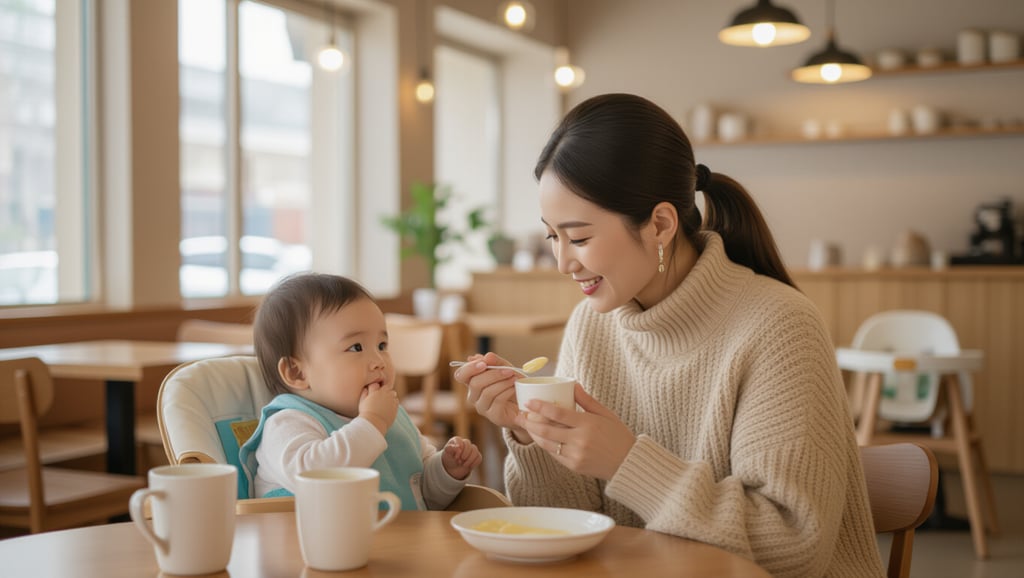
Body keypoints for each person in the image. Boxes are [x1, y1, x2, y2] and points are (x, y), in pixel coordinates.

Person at [453, 93, 885, 577]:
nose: (562, 262)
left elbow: (791, 546)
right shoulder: (592, 324)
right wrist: (532, 434)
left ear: (660, 224)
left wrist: (627, 463)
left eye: (578, 238)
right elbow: (566, 523)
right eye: (552, 237)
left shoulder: (779, 327)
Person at [240, 272, 481, 510]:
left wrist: (447, 470)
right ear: (297, 372)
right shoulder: (287, 423)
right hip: (306, 548)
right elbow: (317, 480)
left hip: (397, 545)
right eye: (356, 347)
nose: (379, 360)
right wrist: (372, 422)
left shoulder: (390, 418)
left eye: (382, 345)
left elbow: (422, 495)